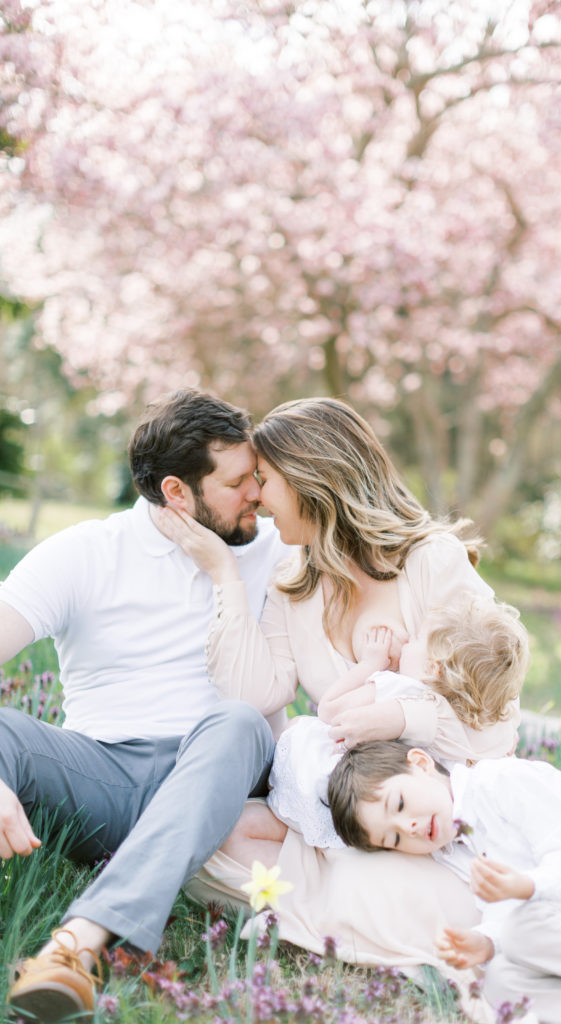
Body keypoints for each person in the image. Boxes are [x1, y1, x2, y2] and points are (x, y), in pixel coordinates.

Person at [158, 397, 520, 1006]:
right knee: (219, 838)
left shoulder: (432, 562)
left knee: (330, 877)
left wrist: (400, 718)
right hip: (358, 817)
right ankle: (351, 907)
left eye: (264, 481)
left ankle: (372, 913)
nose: (254, 497)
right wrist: (223, 573)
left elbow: (495, 727)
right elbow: (252, 693)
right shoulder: (296, 580)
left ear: (311, 482)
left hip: (448, 813)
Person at [1, 389, 290, 1022]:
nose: (258, 495)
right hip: (104, 776)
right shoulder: (85, 552)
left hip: (222, 771)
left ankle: (77, 947)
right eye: (240, 481)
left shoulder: (275, 549)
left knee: (238, 720)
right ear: (178, 492)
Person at [328, 740, 561, 1024]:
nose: (409, 828)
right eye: (394, 839)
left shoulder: (500, 782)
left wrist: (525, 887)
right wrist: (487, 942)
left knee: (523, 926)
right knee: (499, 982)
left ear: (420, 763)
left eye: (400, 804)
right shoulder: (451, 852)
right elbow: (511, 922)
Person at [265, 595, 528, 849]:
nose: (406, 645)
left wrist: (371, 664)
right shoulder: (495, 722)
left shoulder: (403, 691)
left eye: (414, 640)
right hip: (408, 812)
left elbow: (330, 710)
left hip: (325, 778)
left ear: (432, 668)